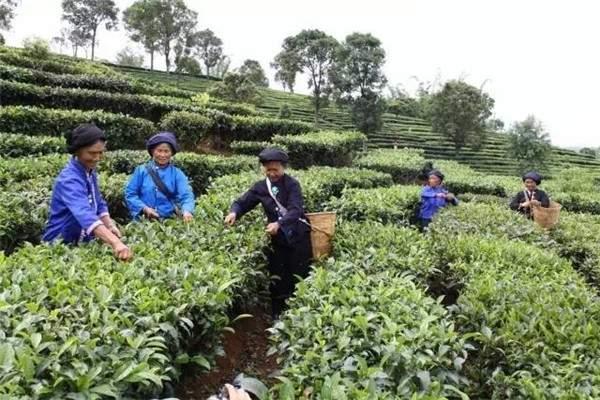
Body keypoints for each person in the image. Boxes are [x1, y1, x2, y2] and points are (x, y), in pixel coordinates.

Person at [224, 148, 312, 319]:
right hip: (278, 240)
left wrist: (279, 223)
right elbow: (242, 202)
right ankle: (277, 316)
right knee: (278, 279)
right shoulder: (260, 187)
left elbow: (296, 210)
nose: (272, 173)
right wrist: (234, 212)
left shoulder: (292, 184)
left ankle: (299, 317)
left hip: (298, 238)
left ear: (283, 167)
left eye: (276, 169)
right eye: (268, 169)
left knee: (299, 276)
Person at [43, 124, 132, 261]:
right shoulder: (69, 179)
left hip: (82, 240)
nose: (97, 158)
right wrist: (115, 242)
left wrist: (109, 225)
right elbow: (84, 212)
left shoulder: (89, 171)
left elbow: (98, 202)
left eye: (100, 152)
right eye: (92, 153)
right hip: (60, 243)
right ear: (77, 151)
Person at [125, 132, 195, 222]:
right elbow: (130, 194)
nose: (162, 155)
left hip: (168, 222)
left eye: (166, 151)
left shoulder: (177, 174)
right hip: (142, 222)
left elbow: (186, 195)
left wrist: (187, 211)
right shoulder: (141, 171)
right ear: (152, 152)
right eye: (159, 151)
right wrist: (144, 208)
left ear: (171, 153)